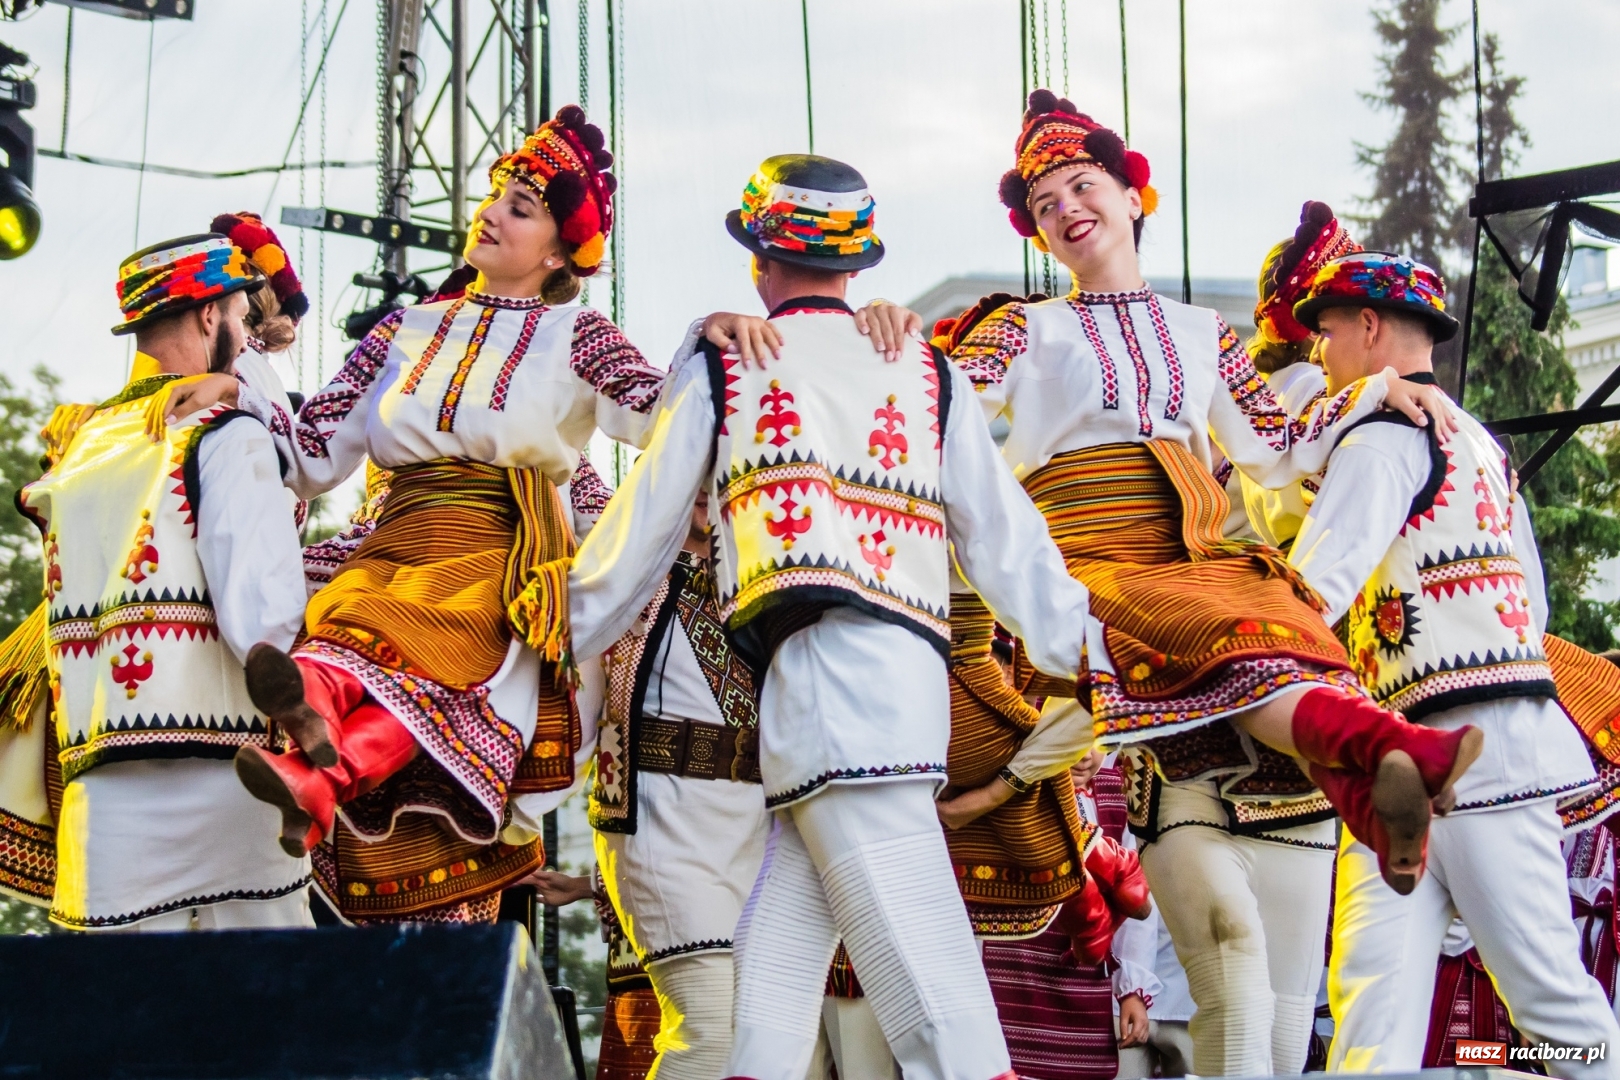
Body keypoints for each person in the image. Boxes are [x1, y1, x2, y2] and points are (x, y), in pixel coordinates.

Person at [943, 90, 1482, 1077]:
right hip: (1097, 559)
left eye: (1083, 183)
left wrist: (1368, 396)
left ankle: (1378, 770)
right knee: (1216, 627)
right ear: (1036, 230)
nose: (1067, 206)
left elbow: (1275, 450)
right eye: (1044, 198)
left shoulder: (1204, 334)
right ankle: (1380, 762)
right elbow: (936, 394)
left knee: (1279, 617)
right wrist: (875, 335)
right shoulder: (1024, 330)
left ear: (1131, 193)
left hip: (1196, 556)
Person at [535, 151, 1101, 1080]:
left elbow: (631, 545)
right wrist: (1092, 655)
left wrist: (538, 649)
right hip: (898, 700)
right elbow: (1009, 540)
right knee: (770, 991)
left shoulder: (731, 371)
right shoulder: (926, 371)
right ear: (857, 266)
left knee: (937, 997)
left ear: (760, 262)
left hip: (824, 706)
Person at [1283, 250, 1620, 1078]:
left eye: (1324, 335)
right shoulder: (1485, 448)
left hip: (1444, 745)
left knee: (1528, 996)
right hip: (1458, 745)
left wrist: (1226, 652)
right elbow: (1530, 608)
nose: (1321, 356)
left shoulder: (1385, 436)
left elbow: (1313, 591)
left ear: (1366, 328)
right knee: (1388, 994)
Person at [7, 233, 311, 930]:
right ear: (211, 318)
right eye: (240, 316)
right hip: (232, 781)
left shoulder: (76, 447)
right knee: (264, 1014)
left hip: (101, 794)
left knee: (116, 1021)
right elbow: (261, 614)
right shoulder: (223, 432)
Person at [589, 488, 769, 1079]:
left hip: (759, 827)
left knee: (760, 1033)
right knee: (707, 1027)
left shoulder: (763, 582)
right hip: (659, 819)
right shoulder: (619, 577)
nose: (704, 493)